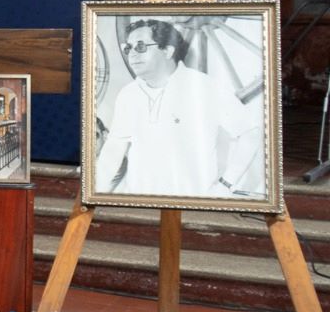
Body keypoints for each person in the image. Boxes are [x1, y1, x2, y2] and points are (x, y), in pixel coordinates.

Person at [95, 18, 262, 198]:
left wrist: (226, 184)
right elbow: (114, 149)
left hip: (191, 203)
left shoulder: (204, 87)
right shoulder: (128, 94)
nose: (132, 54)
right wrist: (94, 194)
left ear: (167, 51)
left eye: (141, 46)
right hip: (140, 203)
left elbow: (250, 133)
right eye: (128, 48)